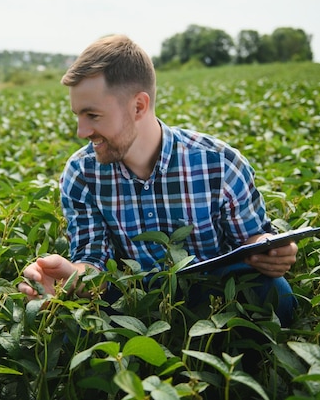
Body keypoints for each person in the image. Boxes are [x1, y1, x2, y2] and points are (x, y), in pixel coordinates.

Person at [18, 34, 298, 326]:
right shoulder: (81, 173)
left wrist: (271, 247)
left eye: (93, 115)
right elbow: (93, 260)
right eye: (78, 115)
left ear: (138, 106)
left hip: (217, 296)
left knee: (275, 294)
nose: (82, 131)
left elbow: (251, 240)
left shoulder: (220, 163)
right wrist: (72, 277)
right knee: (75, 326)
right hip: (134, 302)